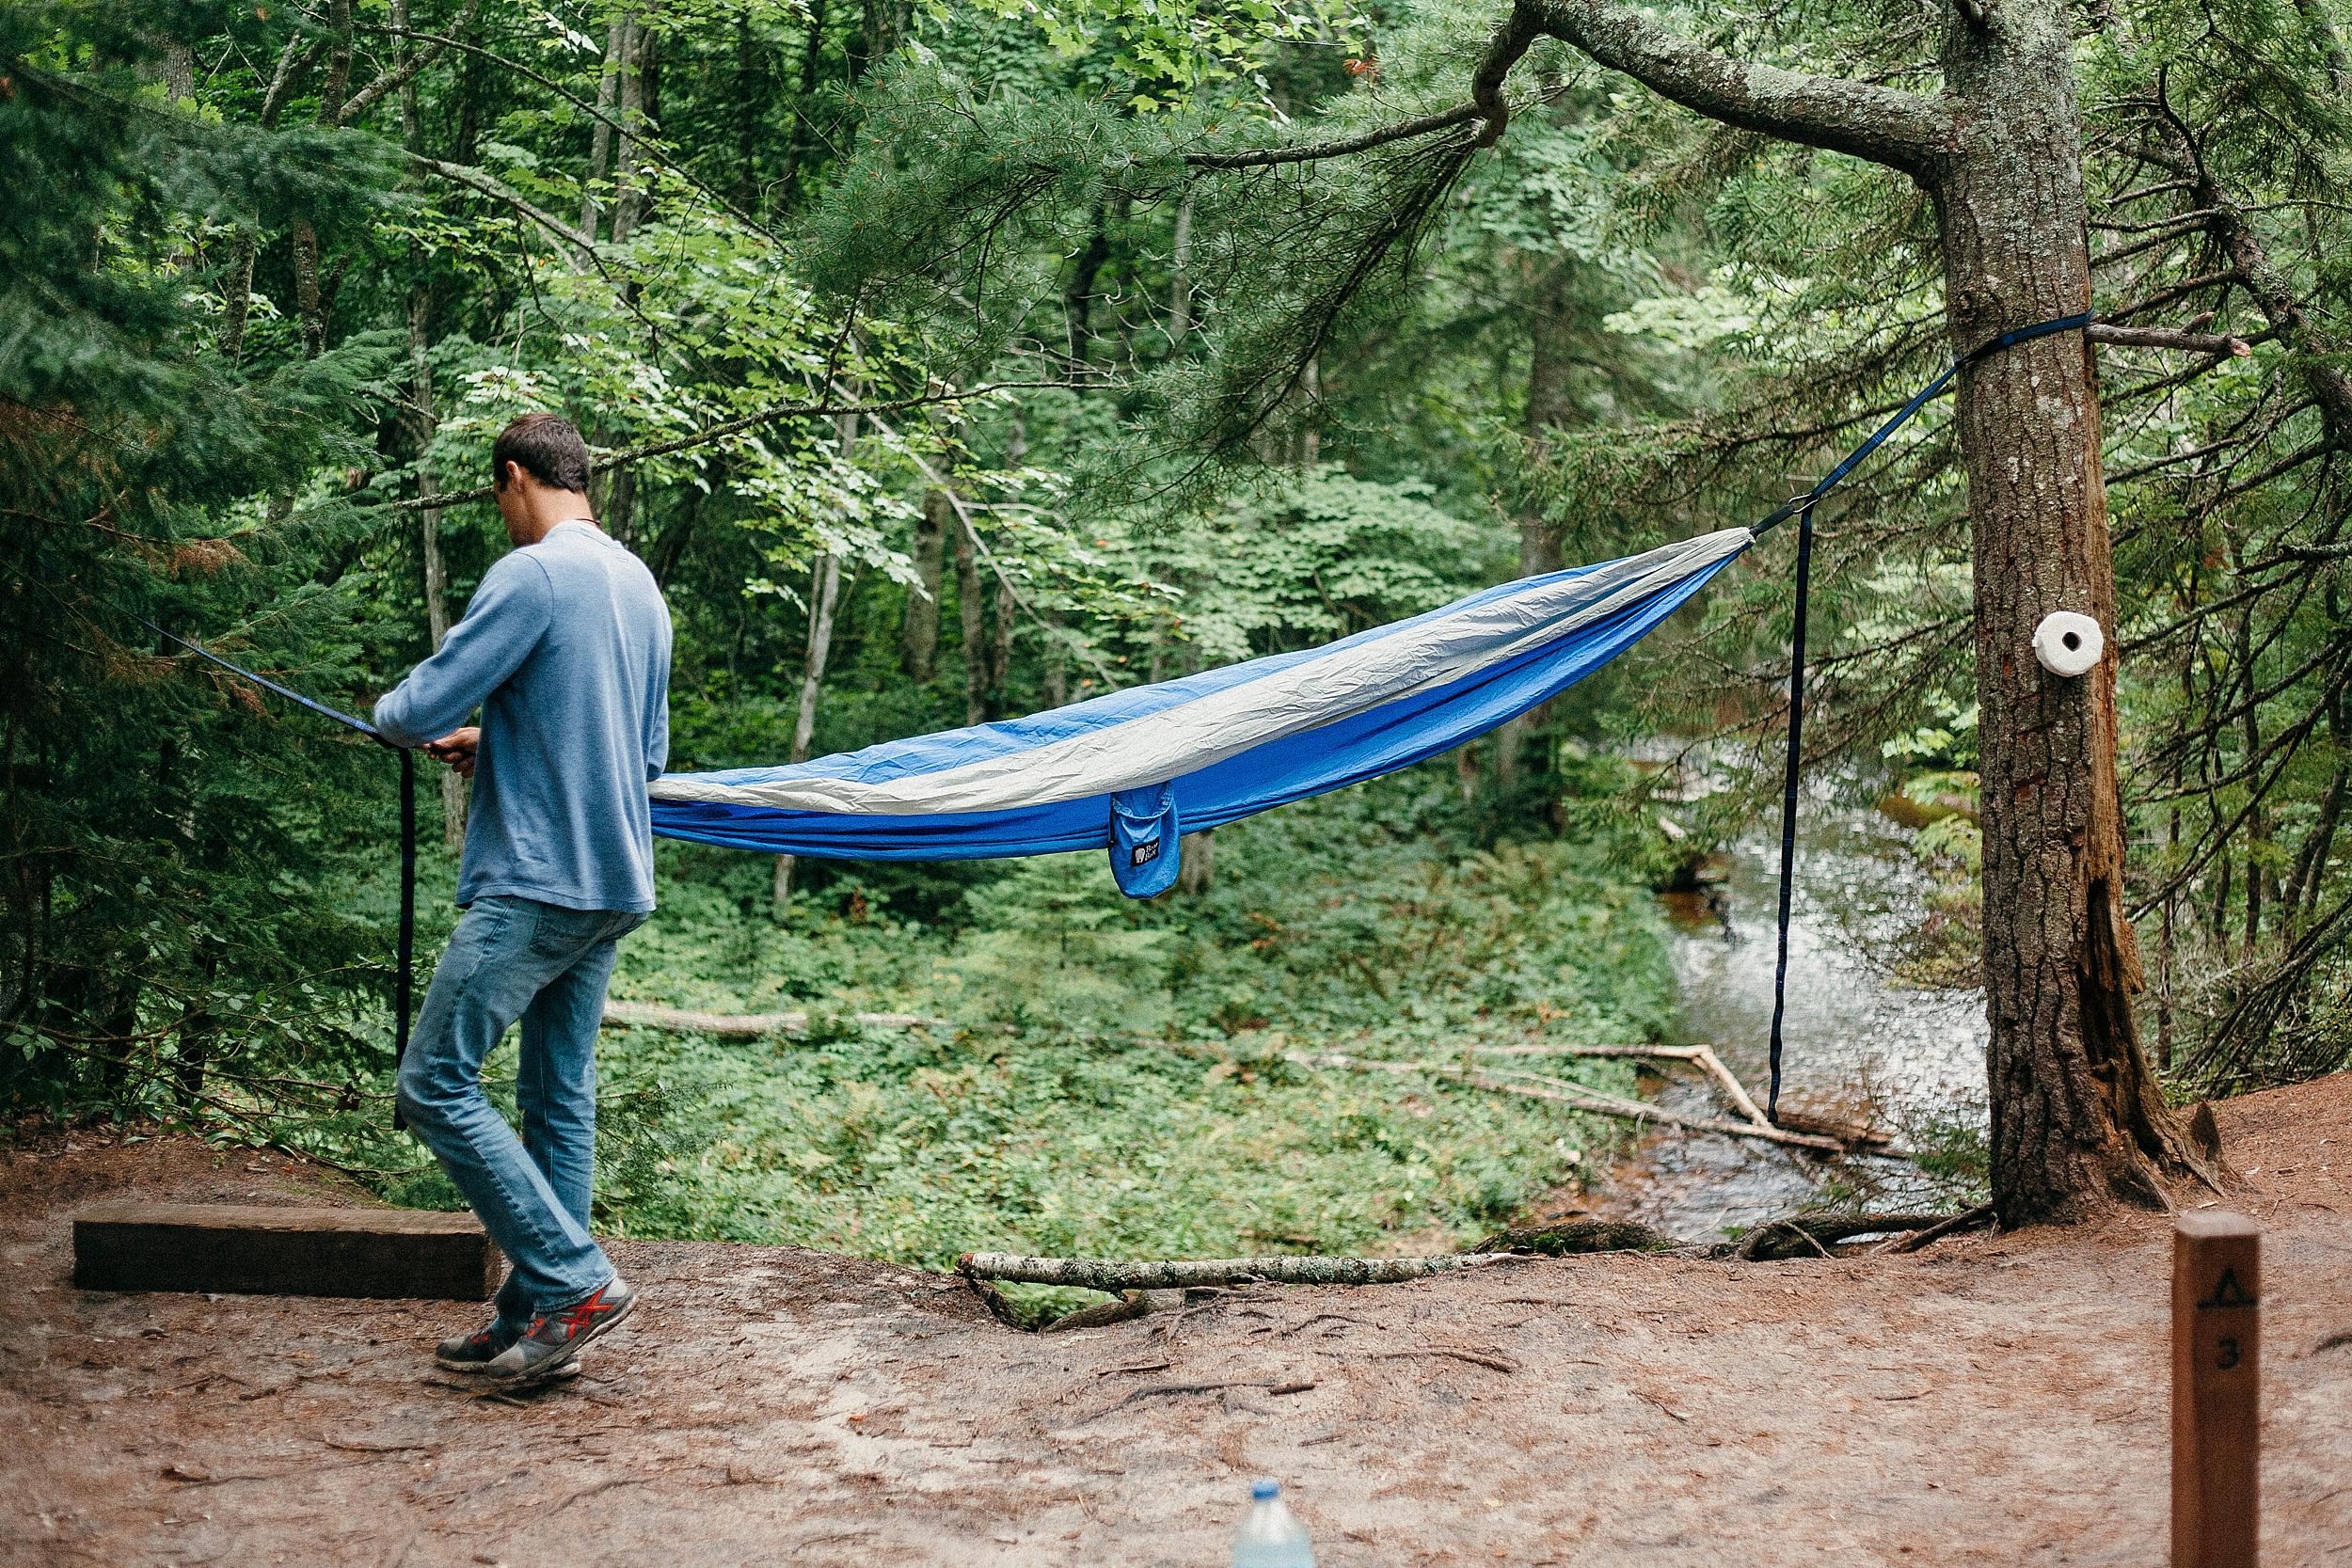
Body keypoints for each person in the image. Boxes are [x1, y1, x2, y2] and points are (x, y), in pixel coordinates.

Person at [374, 413, 673, 1386]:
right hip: (612, 880)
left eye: (496, 496)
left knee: (432, 1082)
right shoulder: (638, 585)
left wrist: (408, 720)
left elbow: (414, 708)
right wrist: (495, 742)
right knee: (556, 1101)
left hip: (537, 883)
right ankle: (538, 1318)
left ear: (514, 478)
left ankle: (576, 1281)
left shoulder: (534, 572)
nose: (501, 513)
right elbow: (645, 756)